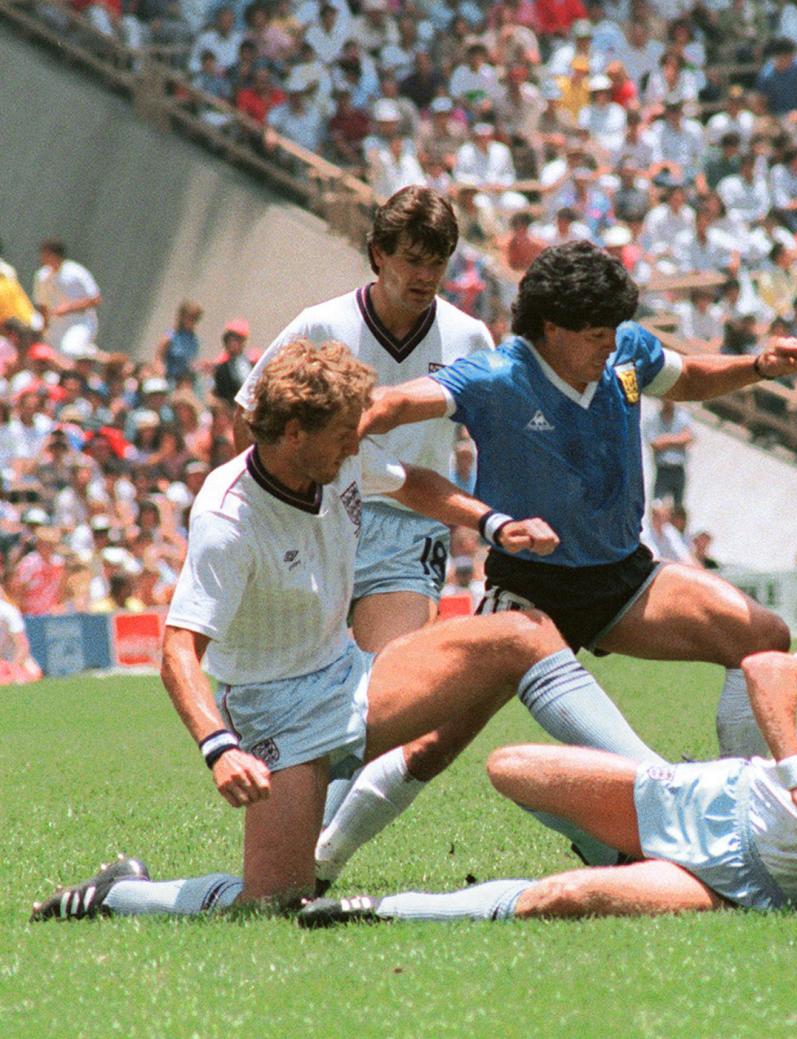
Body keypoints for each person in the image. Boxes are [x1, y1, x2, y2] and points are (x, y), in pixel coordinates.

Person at [29, 340, 642, 921]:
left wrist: (493, 524)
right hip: (277, 716)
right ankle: (118, 894)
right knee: (273, 902)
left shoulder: (335, 457)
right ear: (293, 434)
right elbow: (179, 650)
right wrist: (219, 747)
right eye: (345, 437)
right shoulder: (227, 518)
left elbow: (415, 483)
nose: (356, 448)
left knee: (522, 633)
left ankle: (656, 791)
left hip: (351, 677)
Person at [361, 241, 797, 778]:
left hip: (622, 580)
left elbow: (690, 378)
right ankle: (325, 855)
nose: (610, 345)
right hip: (528, 592)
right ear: (552, 328)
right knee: (432, 748)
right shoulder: (494, 376)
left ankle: (727, 800)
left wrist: (758, 366)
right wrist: (347, 425)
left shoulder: (625, 349)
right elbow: (397, 402)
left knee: (762, 638)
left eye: (613, 331)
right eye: (596, 335)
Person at [298, 644, 797, 926]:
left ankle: (378, 910)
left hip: (746, 888)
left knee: (561, 900)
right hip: (713, 797)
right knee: (509, 766)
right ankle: (623, 847)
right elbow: (768, 666)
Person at [231, 188, 497, 890]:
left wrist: (493, 519)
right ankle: (290, 850)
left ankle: (313, 858)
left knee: (387, 696)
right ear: (378, 254)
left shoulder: (470, 338)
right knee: (309, 697)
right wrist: (265, 509)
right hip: (318, 519)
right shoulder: (320, 325)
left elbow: (493, 440)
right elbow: (247, 419)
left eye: (436, 261)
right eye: (410, 259)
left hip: (409, 528)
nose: (423, 275)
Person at [31, 238, 100, 358]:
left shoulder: (76, 272)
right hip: (55, 326)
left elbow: (95, 299)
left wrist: (68, 308)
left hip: (79, 323)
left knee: (70, 350)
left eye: (46, 253)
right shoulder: (42, 276)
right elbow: (42, 303)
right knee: (51, 355)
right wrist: (44, 326)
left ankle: (92, 353)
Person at [643, 398, 694, 509]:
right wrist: (677, 440)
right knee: (657, 504)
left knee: (677, 507)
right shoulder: (653, 418)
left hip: (678, 468)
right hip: (663, 469)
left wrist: (666, 439)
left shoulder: (683, 416)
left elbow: (688, 438)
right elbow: (655, 444)